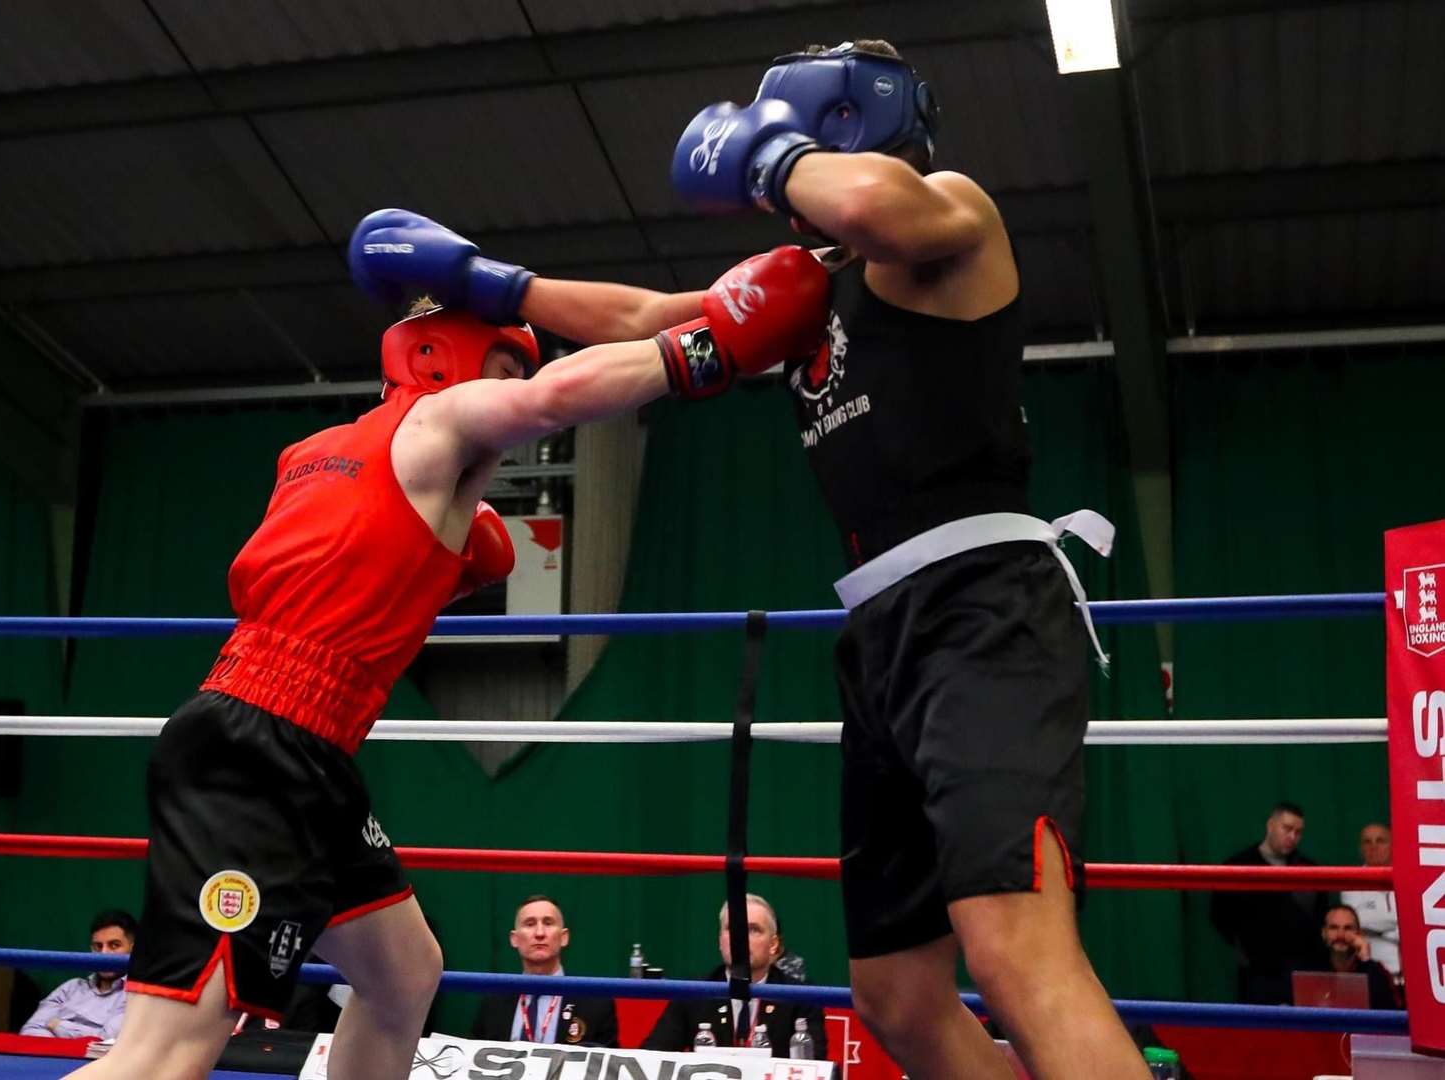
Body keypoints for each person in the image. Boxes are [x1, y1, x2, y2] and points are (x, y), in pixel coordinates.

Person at [351, 38, 1144, 1080]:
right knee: (898, 996)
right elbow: (644, 321)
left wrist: (765, 152)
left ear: (844, 128)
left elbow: (876, 207)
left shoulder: (950, 213)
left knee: (1015, 952)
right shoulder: (812, 281)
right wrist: (492, 282)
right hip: (884, 633)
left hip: (984, 606)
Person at [70, 243, 829, 1080]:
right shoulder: (431, 422)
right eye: (501, 365)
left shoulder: (318, 455)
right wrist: (709, 346)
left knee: (404, 976)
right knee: (166, 1053)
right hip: (259, 753)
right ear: (445, 359)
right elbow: (552, 399)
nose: (508, 391)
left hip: (302, 749)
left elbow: (326, 565)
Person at [642, 894, 826, 1058]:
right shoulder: (693, 993)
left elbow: (815, 1067)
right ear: (720, 941)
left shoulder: (800, 998)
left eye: (753, 930)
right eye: (732, 929)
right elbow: (652, 1057)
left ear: (773, 944)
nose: (740, 938)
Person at [1211, 801, 1330, 1004]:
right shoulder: (1238, 866)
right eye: (1287, 828)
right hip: (1256, 973)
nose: (1292, 837)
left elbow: (1319, 917)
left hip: (1301, 972)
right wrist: (1247, 949)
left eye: (1298, 832)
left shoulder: (1309, 869)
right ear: (1270, 825)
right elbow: (1220, 915)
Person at [470, 895, 617, 1046]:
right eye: (529, 924)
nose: (539, 933)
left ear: (564, 937)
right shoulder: (492, 1004)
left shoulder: (596, 1004)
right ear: (514, 939)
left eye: (548, 923)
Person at [19, 910, 136, 1040]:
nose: (104, 953)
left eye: (114, 945)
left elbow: (106, 1040)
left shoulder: (135, 994)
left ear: (133, 949)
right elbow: (30, 1031)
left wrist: (58, 1025)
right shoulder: (71, 988)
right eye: (98, 946)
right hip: (53, 1059)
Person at [1307, 904, 1399, 1010]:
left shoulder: (1376, 970)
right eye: (1334, 928)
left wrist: (1366, 960)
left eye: (1348, 928)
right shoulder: (1309, 969)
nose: (1340, 935)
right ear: (1324, 933)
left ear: (1359, 934)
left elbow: (1388, 1011)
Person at [1342, 822, 1400, 988]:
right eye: (1367, 842)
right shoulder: (1351, 882)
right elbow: (1357, 923)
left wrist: (1376, 930)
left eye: (1380, 840)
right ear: (1360, 848)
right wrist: (1398, 927)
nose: (1373, 847)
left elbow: (1415, 924)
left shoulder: (1408, 879)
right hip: (1372, 976)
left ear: (1392, 845)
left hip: (1409, 975)